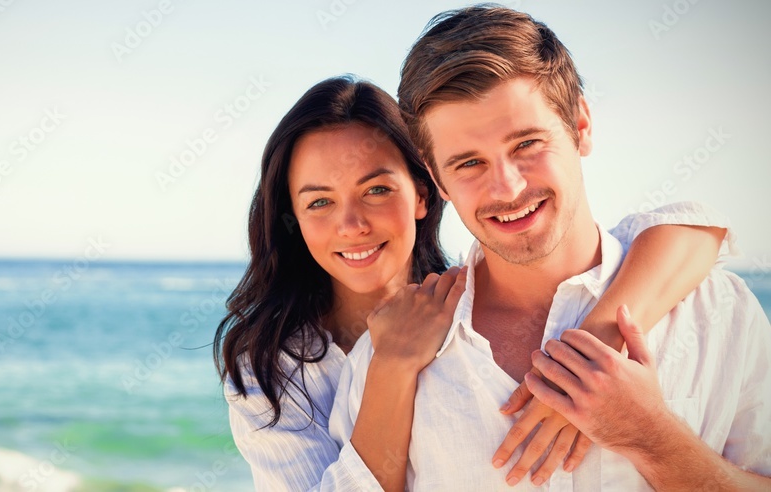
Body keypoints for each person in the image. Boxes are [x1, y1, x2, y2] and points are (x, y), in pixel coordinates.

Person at [214, 74, 730, 490]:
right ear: (294, 218)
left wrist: (599, 346)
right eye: (319, 201)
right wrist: (393, 367)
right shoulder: (267, 364)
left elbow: (686, 231)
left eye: (376, 189)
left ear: (424, 192)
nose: (352, 225)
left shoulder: (475, 299)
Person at [331, 5, 770, 490]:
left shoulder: (718, 313)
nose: (507, 187)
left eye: (526, 144)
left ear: (581, 125)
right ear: (437, 179)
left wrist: (653, 439)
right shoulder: (386, 359)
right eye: (469, 163)